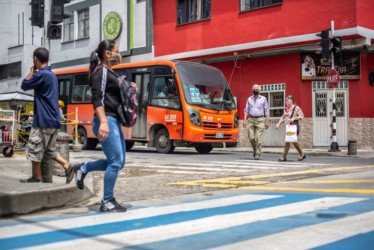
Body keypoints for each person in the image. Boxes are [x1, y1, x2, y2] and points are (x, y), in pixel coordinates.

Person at [73, 40, 137, 212]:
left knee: (118, 162)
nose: (119, 53)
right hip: (106, 119)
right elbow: (97, 98)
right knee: (115, 162)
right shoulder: (100, 71)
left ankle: (83, 168)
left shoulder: (110, 72)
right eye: (117, 50)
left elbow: (114, 96)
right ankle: (107, 201)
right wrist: (103, 122)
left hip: (113, 120)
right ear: (108, 54)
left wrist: (129, 88)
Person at [20, 47, 77, 183]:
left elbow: (24, 85)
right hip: (53, 120)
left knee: (35, 148)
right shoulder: (52, 75)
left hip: (43, 120)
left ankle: (37, 178)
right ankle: (67, 166)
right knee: (49, 150)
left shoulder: (41, 75)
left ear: (35, 59)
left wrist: (31, 72)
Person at [243, 84, 270, 160]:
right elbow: (246, 110)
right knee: (251, 137)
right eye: (253, 89)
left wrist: (267, 121)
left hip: (260, 119)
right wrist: (245, 120)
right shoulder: (249, 99)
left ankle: (257, 154)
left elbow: (266, 110)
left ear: (259, 90)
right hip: (251, 119)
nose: (255, 90)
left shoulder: (263, 99)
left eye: (256, 89)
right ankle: (255, 150)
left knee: (258, 138)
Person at [276, 95, 306, 161]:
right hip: (288, 127)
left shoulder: (296, 108)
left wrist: (295, 118)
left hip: (293, 127)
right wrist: (278, 123)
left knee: (288, 142)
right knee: (293, 141)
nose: (286, 102)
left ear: (292, 100)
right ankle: (302, 154)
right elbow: (283, 117)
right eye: (286, 100)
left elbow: (302, 116)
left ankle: (284, 157)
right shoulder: (286, 109)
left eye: (288, 100)